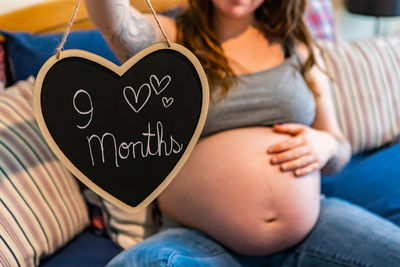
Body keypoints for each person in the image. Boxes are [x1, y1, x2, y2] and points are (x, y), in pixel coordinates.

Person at [85, 0, 400, 266]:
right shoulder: (172, 38)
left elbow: (339, 150)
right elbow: (112, 19)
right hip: (196, 239)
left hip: (311, 229)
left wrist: (327, 145)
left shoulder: (296, 47)